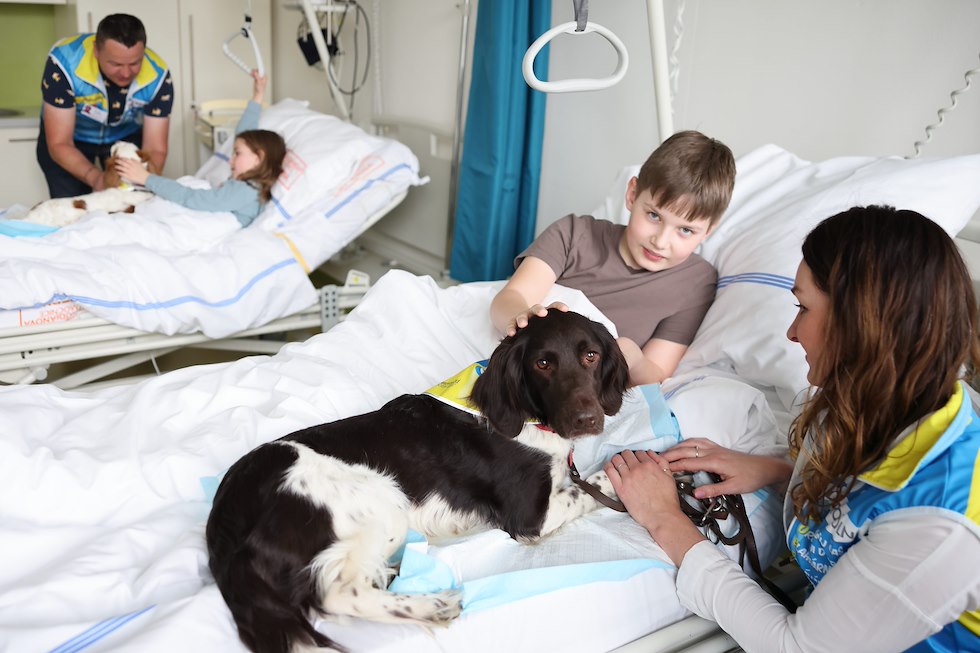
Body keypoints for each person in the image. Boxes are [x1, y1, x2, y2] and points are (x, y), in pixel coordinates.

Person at [606, 205, 980, 652]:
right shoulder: (869, 399)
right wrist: (780, 470)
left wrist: (666, 520)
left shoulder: (941, 521)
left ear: (862, 328)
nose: (791, 332)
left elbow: (797, 647)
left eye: (803, 308)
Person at [489, 130, 736, 386]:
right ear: (632, 194)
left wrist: (634, 360)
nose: (661, 242)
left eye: (685, 230)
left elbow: (657, 374)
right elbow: (508, 299)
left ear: (708, 230)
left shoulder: (696, 282)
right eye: (654, 216)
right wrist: (522, 317)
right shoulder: (574, 234)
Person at [115, 71, 286, 228]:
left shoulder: (244, 191)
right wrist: (257, 96)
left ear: (258, 158)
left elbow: (190, 197)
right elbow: (244, 135)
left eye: (237, 153)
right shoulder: (250, 187)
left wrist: (146, 178)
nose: (230, 159)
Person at [37, 14, 173, 198]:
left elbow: (155, 148)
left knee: (133, 202)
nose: (126, 73)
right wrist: (96, 179)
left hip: (125, 137)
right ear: (96, 50)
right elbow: (60, 143)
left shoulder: (158, 74)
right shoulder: (63, 64)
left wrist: (146, 180)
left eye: (135, 63)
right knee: (73, 204)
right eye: (116, 64)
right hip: (71, 141)